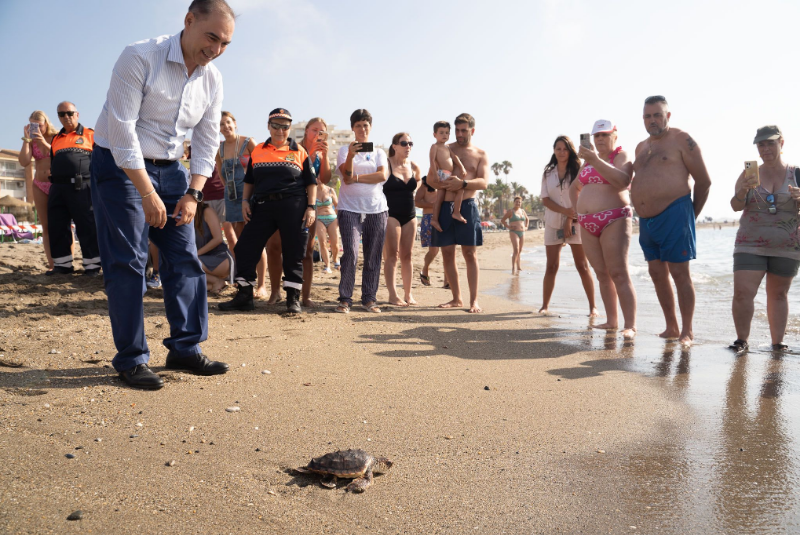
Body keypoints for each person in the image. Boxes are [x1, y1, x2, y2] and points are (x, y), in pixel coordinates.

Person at [91, 0, 234, 389]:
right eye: (211, 37)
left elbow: (206, 140)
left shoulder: (212, 78)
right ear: (189, 21)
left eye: (225, 43)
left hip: (173, 170)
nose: (216, 48)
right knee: (130, 262)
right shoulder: (139, 56)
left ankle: (185, 349)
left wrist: (193, 193)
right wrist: (146, 193)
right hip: (119, 165)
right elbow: (122, 132)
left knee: (185, 258)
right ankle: (132, 360)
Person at [218, 108, 317, 314]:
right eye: (276, 125)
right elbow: (250, 180)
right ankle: (244, 295)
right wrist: (245, 201)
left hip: (294, 206)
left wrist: (311, 207)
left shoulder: (299, 151)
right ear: (268, 126)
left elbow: (311, 182)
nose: (280, 130)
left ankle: (292, 299)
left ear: (289, 128)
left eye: (285, 126)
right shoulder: (259, 150)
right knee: (245, 247)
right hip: (262, 205)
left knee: (293, 251)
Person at [632, 95, 712, 345]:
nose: (652, 120)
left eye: (657, 114)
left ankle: (687, 330)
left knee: (680, 273)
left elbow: (704, 180)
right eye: (647, 116)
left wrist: (690, 215)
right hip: (647, 221)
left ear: (668, 115)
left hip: (675, 212)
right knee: (656, 273)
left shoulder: (681, 139)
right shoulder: (641, 147)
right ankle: (671, 326)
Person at [729, 126, 800, 352]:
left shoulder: (797, 173)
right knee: (742, 293)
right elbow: (735, 205)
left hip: (787, 246)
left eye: (770, 143)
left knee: (778, 295)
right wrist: (743, 191)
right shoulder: (750, 174)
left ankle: (777, 344)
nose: (765, 148)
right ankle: (742, 341)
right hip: (750, 244)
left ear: (781, 143)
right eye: (761, 144)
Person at [569, 120, 637, 338]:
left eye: (604, 135)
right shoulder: (588, 162)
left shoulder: (620, 156)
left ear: (614, 136)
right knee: (602, 274)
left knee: (619, 272)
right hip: (587, 222)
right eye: (596, 136)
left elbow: (621, 180)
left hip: (614, 218)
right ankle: (611, 321)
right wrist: (576, 212)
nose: (599, 139)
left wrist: (595, 160)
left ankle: (630, 325)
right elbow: (575, 187)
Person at [266, 117, 332, 306]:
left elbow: (325, 178)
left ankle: (305, 296)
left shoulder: (319, 155)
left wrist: (325, 156)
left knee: (307, 251)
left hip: (309, 205)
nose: (317, 134)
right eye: (314, 130)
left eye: (322, 131)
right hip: (285, 202)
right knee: (274, 246)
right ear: (306, 131)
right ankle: (275, 291)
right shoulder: (293, 147)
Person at [430, 113, 488, 313]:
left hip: (467, 205)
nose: (460, 134)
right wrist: (437, 180)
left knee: (470, 253)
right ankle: (456, 298)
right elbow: (432, 178)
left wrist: (462, 183)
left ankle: (474, 301)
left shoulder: (480, 154)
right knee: (447, 252)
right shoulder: (446, 148)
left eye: (464, 130)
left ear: (472, 130)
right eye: (457, 130)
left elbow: (483, 182)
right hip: (445, 206)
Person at [335, 109, 389, 314]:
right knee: (350, 252)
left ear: (371, 127)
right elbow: (346, 176)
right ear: (352, 128)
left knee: (373, 255)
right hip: (349, 208)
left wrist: (357, 178)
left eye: (365, 125)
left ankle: (369, 298)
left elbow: (382, 175)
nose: (362, 128)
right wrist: (350, 155)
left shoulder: (379, 151)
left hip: (377, 209)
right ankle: (345, 299)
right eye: (358, 125)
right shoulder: (343, 150)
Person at [539, 135, 598, 316]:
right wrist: (565, 214)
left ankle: (592, 307)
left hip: (577, 223)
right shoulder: (548, 173)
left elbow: (583, 195)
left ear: (570, 151)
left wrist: (570, 219)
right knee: (551, 266)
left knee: (582, 265)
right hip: (552, 223)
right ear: (554, 151)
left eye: (565, 149)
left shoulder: (579, 170)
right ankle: (545, 306)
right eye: (558, 149)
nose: (562, 152)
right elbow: (545, 200)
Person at [46, 101, 101, 276]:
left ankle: (92, 266)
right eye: (61, 114)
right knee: (57, 225)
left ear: (77, 114)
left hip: (82, 187)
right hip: (58, 187)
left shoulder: (90, 134)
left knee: (86, 225)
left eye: (69, 113)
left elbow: (101, 161)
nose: (66, 117)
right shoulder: (56, 138)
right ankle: (62, 265)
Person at [217, 111, 268, 298]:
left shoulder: (248, 143)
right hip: (231, 198)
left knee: (256, 241)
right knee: (240, 244)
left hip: (250, 197)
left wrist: (254, 194)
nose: (225, 127)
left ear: (235, 123)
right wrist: (227, 188)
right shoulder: (220, 149)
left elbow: (261, 168)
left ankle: (262, 285)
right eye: (221, 124)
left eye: (228, 123)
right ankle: (245, 282)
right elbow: (220, 170)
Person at [383, 132, 422, 306]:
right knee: (392, 255)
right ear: (395, 146)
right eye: (404, 143)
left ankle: (408, 294)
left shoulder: (414, 167)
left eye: (411, 144)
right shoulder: (386, 164)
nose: (408, 147)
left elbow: (418, 183)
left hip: (410, 214)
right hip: (390, 213)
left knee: (407, 255)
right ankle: (392, 294)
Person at [18, 110, 60, 270]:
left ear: (46, 124)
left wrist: (42, 140)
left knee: (63, 224)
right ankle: (52, 264)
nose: (36, 128)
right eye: (32, 125)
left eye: (39, 125)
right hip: (39, 185)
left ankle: (66, 262)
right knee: (46, 226)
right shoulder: (30, 141)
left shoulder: (55, 136)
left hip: (57, 184)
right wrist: (26, 139)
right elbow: (24, 162)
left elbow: (59, 154)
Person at [428, 121, 467, 232]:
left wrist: (461, 167)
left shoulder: (447, 147)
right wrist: (435, 174)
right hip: (442, 173)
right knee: (460, 189)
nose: (445, 135)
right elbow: (431, 160)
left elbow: (455, 158)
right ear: (434, 134)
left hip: (447, 174)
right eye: (441, 133)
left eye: (447, 133)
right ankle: (456, 212)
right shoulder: (435, 146)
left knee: (440, 197)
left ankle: (435, 219)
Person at [415, 175, 448, 288]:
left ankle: (447, 281)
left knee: (447, 250)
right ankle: (425, 269)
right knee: (433, 251)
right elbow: (417, 202)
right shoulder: (424, 186)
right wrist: (434, 205)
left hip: (444, 217)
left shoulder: (445, 184)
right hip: (429, 218)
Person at [194, 200, 232, 295]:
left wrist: (196, 254)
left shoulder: (207, 211)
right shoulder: (184, 215)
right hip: (202, 259)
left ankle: (215, 281)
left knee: (187, 263)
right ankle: (215, 284)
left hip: (220, 259)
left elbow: (218, 239)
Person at [500, 196, 529, 274]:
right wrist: (509, 227)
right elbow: (502, 220)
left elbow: (527, 219)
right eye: (516, 202)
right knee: (516, 249)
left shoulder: (522, 211)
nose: (518, 203)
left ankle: (519, 267)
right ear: (514, 202)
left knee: (520, 250)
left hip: (522, 232)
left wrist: (526, 227)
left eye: (519, 202)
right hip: (514, 232)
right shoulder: (510, 211)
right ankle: (513, 267)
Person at [315, 181, 339, 273]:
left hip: (332, 218)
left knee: (335, 243)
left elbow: (337, 206)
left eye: (321, 177)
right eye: (317, 177)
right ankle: (327, 266)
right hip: (319, 218)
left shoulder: (330, 190)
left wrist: (338, 219)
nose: (319, 179)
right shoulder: (313, 190)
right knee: (322, 242)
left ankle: (336, 260)